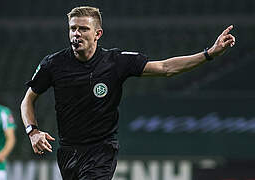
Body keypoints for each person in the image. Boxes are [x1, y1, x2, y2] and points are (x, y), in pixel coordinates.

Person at [20, 6, 235, 180]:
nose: (76, 34)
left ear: (98, 34)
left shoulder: (115, 62)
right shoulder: (54, 64)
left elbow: (165, 68)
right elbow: (28, 100)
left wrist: (209, 54)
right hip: (68, 150)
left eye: (83, 29)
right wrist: (32, 131)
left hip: (101, 149)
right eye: (73, 28)